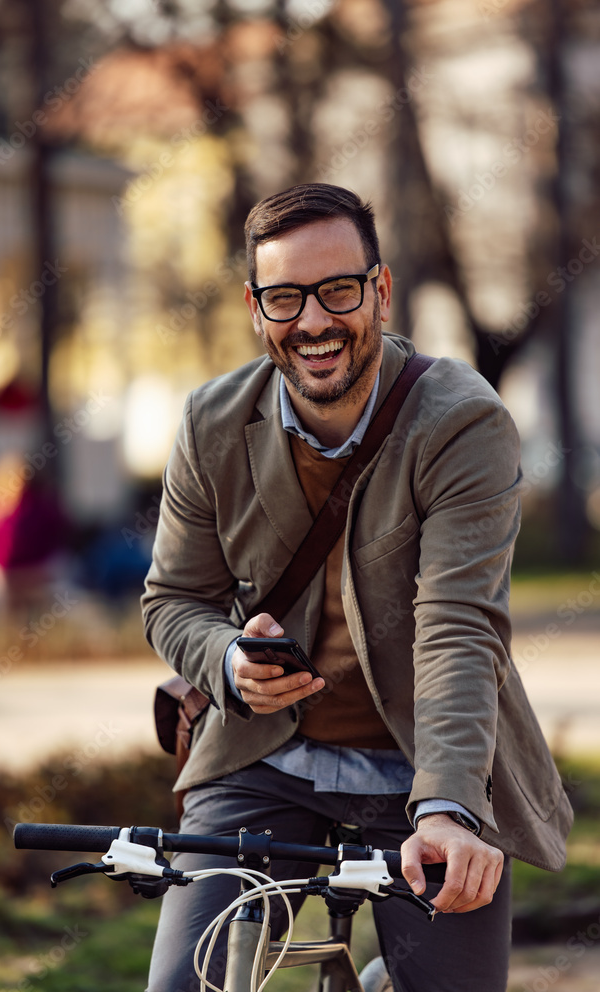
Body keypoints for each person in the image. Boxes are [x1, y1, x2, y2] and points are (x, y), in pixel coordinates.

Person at [141, 183, 572, 992]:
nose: (312, 322)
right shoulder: (209, 423)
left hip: (424, 765)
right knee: (184, 985)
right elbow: (171, 602)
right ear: (254, 306)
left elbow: (457, 625)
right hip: (261, 760)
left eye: (337, 289)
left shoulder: (461, 422)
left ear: (378, 290)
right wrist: (229, 660)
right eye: (284, 298)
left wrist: (448, 806)